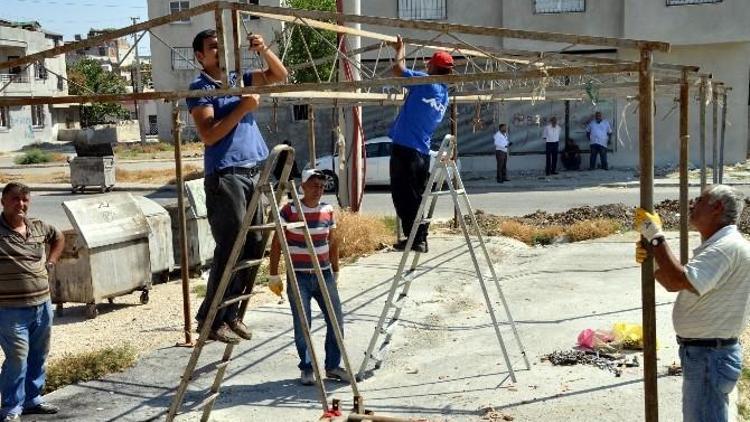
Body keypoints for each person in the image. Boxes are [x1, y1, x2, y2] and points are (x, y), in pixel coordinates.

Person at [186, 29, 287, 344]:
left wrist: (263, 48)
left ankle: (232, 314)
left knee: (255, 245)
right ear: (200, 56)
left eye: (222, 46)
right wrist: (243, 108)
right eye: (212, 48)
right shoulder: (200, 88)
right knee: (231, 246)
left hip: (254, 170)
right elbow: (209, 134)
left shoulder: (238, 77)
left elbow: (279, 75)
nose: (219, 51)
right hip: (226, 173)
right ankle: (210, 318)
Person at [634, 185, 750, 422]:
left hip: (710, 355)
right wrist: (654, 258)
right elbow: (672, 281)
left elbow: (677, 280)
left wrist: (655, 237)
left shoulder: (726, 248)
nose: (692, 205)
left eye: (700, 201)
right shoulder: (722, 245)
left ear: (717, 208)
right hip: (706, 353)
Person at [268, 169, 349, 386]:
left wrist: (336, 269)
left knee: (336, 320)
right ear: (303, 186)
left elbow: (332, 242)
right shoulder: (290, 210)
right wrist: (273, 274)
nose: (318, 190)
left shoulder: (328, 210)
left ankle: (332, 366)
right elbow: (277, 243)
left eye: (322, 186)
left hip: (323, 273)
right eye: (314, 185)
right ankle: (307, 368)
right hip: (298, 277)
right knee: (303, 324)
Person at [0, 182, 64, 422]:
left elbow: (58, 237)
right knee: (17, 357)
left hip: (42, 304)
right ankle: (10, 407)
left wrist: (52, 262)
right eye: (15, 199)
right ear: (3, 202)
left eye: (25, 199)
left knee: (38, 354)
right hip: (9, 310)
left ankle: (32, 400)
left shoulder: (38, 226)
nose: (21, 204)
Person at [388, 35, 453, 254]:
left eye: (429, 63)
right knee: (415, 197)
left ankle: (416, 239)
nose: (426, 65)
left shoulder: (426, 82)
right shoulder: (444, 95)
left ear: (434, 66)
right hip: (421, 153)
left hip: (406, 149)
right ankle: (419, 237)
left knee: (403, 196)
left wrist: (400, 48)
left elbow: (397, 70)